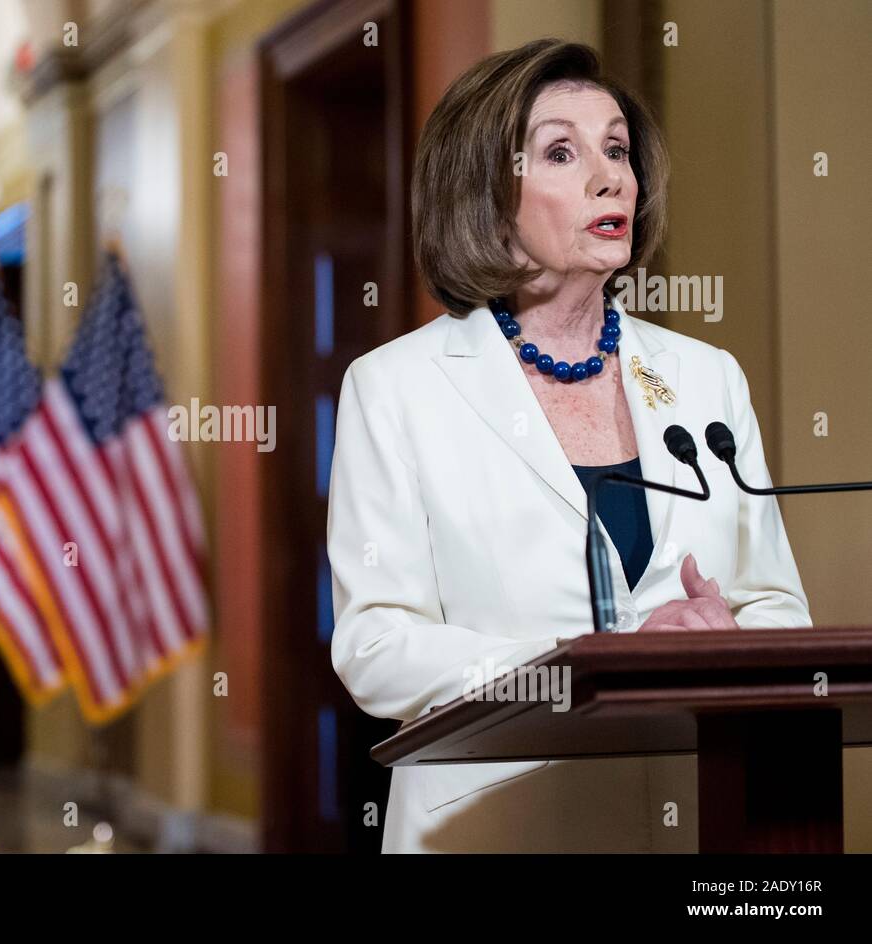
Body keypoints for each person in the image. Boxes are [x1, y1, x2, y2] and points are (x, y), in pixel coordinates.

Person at [327, 38, 811, 853]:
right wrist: (594, 665)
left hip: (691, 823)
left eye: (616, 149)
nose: (609, 175)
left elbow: (778, 606)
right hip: (490, 827)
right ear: (485, 191)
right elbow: (377, 648)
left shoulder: (706, 378)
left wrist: (726, 636)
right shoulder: (395, 388)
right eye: (562, 151)